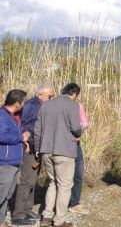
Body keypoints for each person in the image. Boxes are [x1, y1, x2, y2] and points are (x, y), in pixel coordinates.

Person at [35, 83, 83, 227]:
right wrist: (80, 132)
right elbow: (76, 128)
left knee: (53, 183)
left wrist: (38, 149)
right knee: (65, 186)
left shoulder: (46, 105)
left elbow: (38, 130)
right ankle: (59, 220)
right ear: (74, 93)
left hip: (46, 150)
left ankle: (46, 217)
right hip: (64, 151)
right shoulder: (72, 105)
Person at [12, 86, 55, 226]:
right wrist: (29, 143)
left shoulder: (40, 105)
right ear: (40, 95)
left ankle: (27, 210)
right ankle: (18, 214)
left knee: (32, 180)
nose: (51, 99)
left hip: (37, 148)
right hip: (30, 149)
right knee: (26, 181)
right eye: (49, 96)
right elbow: (24, 126)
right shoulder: (32, 105)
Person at [0, 89, 30, 227]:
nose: (24, 104)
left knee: (7, 194)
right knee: (1, 193)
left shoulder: (12, 116)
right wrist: (21, 137)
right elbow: (1, 136)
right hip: (5, 162)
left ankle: (1, 220)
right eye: (23, 101)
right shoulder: (2, 116)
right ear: (17, 103)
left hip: (13, 161)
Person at [68, 100, 90, 215]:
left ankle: (74, 202)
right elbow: (85, 123)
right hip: (67, 145)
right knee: (72, 175)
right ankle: (71, 203)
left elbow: (85, 123)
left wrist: (79, 128)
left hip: (74, 144)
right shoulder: (75, 105)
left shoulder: (77, 105)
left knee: (77, 174)